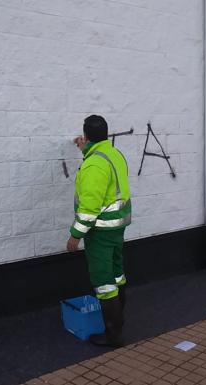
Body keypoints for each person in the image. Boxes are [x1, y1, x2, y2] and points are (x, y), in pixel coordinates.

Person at [66, 115, 132, 348]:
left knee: (104, 283)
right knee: (117, 275)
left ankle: (113, 336)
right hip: (116, 228)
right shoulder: (113, 154)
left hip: (100, 233)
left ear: (85, 135)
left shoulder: (94, 164)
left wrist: (76, 235)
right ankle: (120, 322)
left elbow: (89, 207)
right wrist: (87, 149)